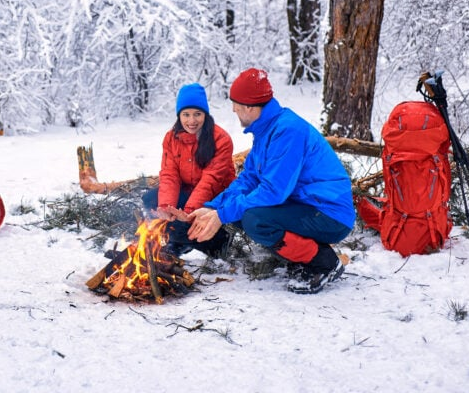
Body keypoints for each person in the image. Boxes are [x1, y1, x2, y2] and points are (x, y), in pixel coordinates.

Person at [188, 68, 354, 294]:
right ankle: (301, 257)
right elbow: (248, 179)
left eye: (236, 106)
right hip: (305, 206)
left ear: (249, 106)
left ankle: (323, 262)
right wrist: (212, 208)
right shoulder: (266, 131)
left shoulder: (287, 131)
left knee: (255, 219)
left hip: (329, 213)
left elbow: (272, 192)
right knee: (239, 212)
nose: (234, 110)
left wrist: (222, 215)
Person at [143, 82, 236, 258]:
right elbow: (170, 175)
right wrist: (166, 207)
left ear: (205, 115)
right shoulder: (171, 138)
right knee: (151, 200)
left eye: (197, 114)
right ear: (179, 116)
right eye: (186, 115)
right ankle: (180, 241)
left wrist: (188, 212)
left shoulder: (221, 139)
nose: (191, 121)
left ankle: (219, 243)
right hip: (188, 192)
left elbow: (211, 181)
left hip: (216, 198)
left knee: (180, 223)